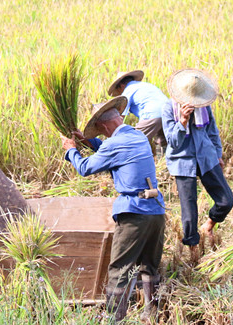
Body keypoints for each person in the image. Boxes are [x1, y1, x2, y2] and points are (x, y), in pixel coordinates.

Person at [62, 96, 165, 323]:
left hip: (135, 213)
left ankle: (113, 319)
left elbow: (85, 168)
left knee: (120, 268)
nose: (101, 135)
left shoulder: (113, 144)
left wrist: (71, 150)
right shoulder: (136, 135)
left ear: (105, 126)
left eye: (99, 131)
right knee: (149, 267)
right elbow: (113, 152)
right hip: (156, 210)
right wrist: (90, 143)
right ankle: (152, 315)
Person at [161, 69, 233, 261]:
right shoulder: (169, 109)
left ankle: (209, 225)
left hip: (206, 157)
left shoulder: (204, 107)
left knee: (226, 200)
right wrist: (182, 121)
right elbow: (173, 142)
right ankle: (193, 252)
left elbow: (212, 131)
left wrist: (218, 154)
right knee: (189, 212)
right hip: (183, 161)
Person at [107, 70, 169, 158]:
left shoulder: (128, 89)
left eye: (119, 90)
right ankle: (163, 163)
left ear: (121, 86)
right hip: (168, 113)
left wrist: (114, 135)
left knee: (135, 141)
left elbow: (121, 116)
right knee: (161, 141)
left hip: (152, 114)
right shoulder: (146, 85)